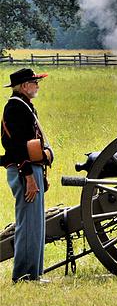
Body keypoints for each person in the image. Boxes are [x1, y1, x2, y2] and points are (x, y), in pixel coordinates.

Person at [1, 68, 52, 282]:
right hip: (25, 172)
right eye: (34, 82)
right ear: (24, 86)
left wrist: (42, 174)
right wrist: (29, 177)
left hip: (33, 169)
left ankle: (34, 273)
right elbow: (17, 146)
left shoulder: (24, 106)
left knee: (36, 223)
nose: (37, 85)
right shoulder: (15, 108)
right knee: (28, 224)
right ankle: (24, 275)